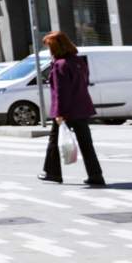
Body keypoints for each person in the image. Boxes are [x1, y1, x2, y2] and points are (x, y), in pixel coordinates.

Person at [39, 31, 106, 188]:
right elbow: (84, 83)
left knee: (54, 141)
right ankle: (96, 175)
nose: (49, 50)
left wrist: (60, 113)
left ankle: (52, 173)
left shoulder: (60, 64)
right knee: (86, 144)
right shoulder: (78, 61)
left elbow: (61, 91)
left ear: (56, 47)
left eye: (50, 47)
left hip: (67, 110)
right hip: (82, 107)